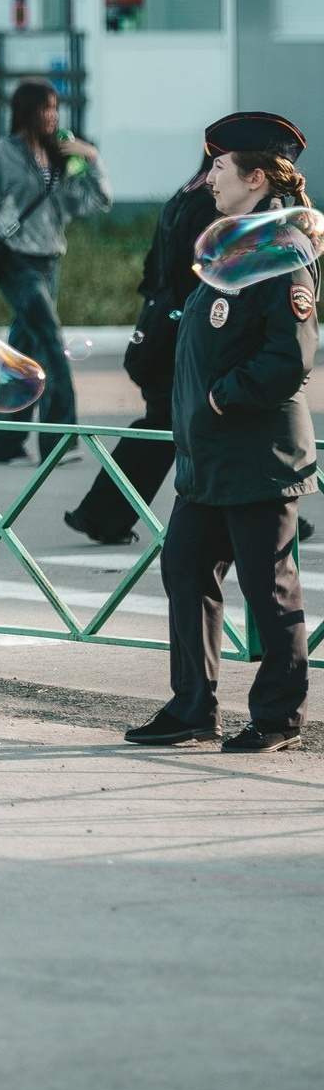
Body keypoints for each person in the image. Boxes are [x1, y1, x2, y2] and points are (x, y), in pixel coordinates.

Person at [126, 114, 318, 755]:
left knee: (269, 589)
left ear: (255, 178)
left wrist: (219, 397)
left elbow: (290, 357)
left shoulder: (282, 251)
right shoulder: (232, 246)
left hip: (258, 453)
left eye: (220, 166)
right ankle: (192, 708)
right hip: (207, 454)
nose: (208, 177)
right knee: (184, 570)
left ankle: (278, 716)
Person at [0, 78, 112, 464]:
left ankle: (1, 445)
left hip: (49, 261)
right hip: (15, 261)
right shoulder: (0, 153)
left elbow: (97, 203)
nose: (52, 115)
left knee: (23, 353)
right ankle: (60, 442)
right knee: (51, 344)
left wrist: (92, 159)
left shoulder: (61, 155)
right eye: (45, 107)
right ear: (26, 111)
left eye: (55, 107)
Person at [64, 157, 216, 545]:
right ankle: (102, 514)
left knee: (168, 422)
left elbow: (153, 268)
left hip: (161, 322)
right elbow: (197, 276)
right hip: (184, 329)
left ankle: (102, 514)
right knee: (179, 422)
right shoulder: (212, 203)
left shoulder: (186, 194)